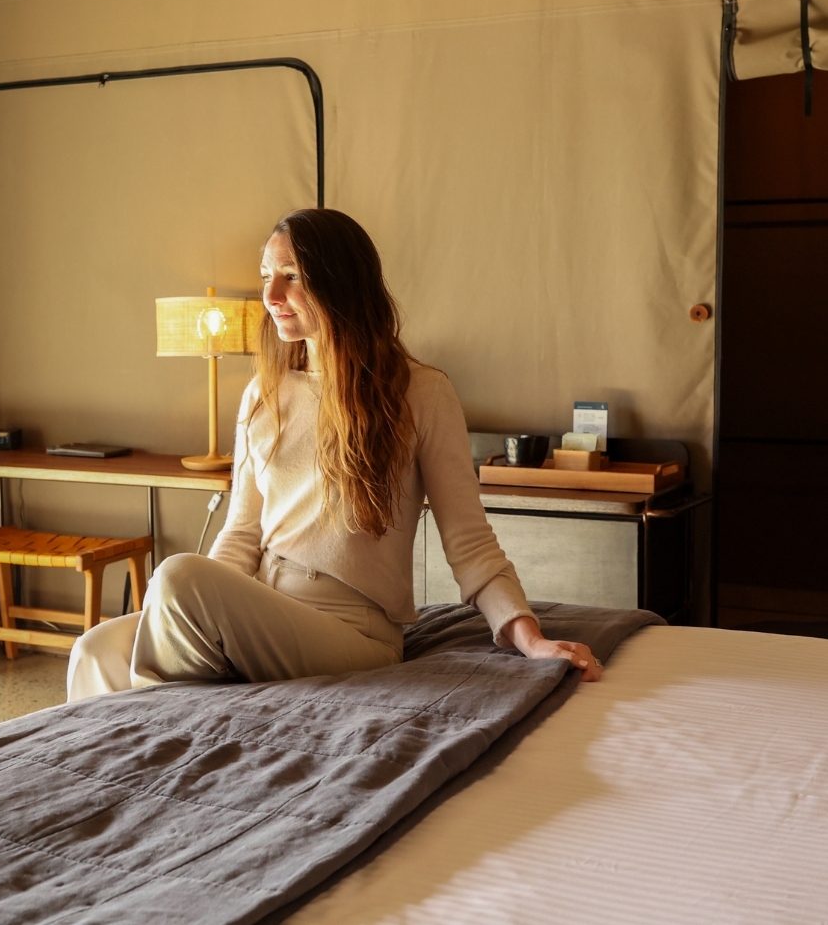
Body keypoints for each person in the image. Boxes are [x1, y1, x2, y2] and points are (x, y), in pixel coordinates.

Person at [67, 209, 602, 700]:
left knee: (176, 578)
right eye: (266, 275)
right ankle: (104, 766)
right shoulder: (263, 392)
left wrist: (529, 638)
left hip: (351, 631)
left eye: (292, 275)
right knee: (94, 649)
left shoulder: (421, 393)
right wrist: (201, 611)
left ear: (341, 283)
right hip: (261, 609)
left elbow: (469, 541)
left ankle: (159, 725)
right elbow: (241, 533)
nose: (271, 293)